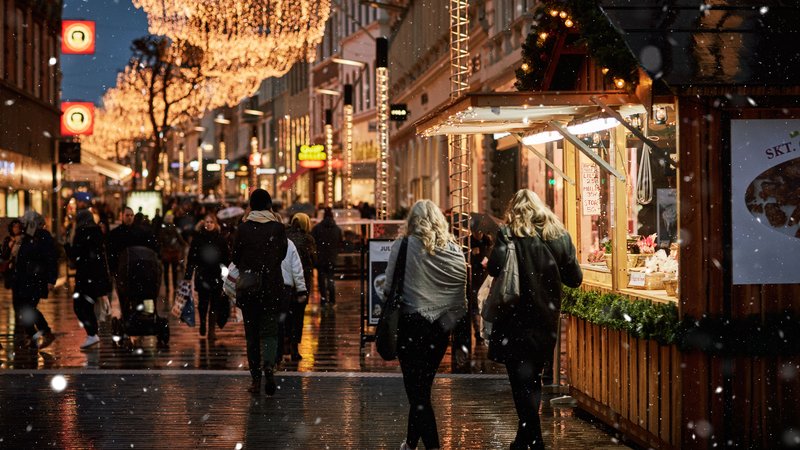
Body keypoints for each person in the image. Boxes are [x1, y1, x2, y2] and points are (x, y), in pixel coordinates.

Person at [486, 189, 583, 450]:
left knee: (519, 381)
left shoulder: (508, 234)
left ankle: (534, 440)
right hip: (544, 319)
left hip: (513, 318)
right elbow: (575, 278)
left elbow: (493, 268)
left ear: (515, 210)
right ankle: (525, 439)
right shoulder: (559, 235)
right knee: (534, 379)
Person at [384, 200, 468, 450]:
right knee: (422, 388)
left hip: (410, 326)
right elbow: (460, 292)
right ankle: (410, 444)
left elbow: (388, 287)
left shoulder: (403, 245)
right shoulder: (454, 249)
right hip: (439, 329)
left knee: (417, 392)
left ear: (412, 221)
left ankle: (433, 446)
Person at [232, 189, 288, 395]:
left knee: (252, 335)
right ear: (268, 205)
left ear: (251, 205)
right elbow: (282, 254)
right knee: (270, 333)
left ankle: (256, 380)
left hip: (249, 288)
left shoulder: (243, 229)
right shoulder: (278, 228)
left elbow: (235, 256)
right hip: (272, 287)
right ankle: (269, 366)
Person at [13, 211, 59, 349]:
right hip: (24, 279)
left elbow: (51, 259)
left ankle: (46, 333)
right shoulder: (27, 237)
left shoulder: (43, 237)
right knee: (21, 309)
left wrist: (51, 279)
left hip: (37, 279)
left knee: (29, 308)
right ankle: (33, 336)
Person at [68, 209, 111, 349]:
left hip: (85, 275)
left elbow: (75, 254)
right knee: (87, 305)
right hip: (96, 275)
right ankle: (92, 333)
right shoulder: (97, 232)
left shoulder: (82, 233)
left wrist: (67, 246)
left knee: (80, 306)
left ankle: (92, 334)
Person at [184, 213, 230, 339]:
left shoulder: (220, 239)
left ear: (215, 224)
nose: (208, 224)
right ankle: (203, 323)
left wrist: (226, 275)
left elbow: (226, 258)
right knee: (203, 303)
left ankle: (212, 330)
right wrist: (188, 274)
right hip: (202, 274)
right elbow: (192, 258)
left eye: (211, 222)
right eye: (207, 222)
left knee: (215, 302)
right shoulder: (198, 238)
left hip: (216, 274)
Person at [285, 213, 316, 361]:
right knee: (298, 316)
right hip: (302, 282)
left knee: (286, 314)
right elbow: (314, 260)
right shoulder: (308, 239)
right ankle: (294, 347)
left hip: (286, 281)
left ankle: (284, 342)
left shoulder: (284, 236)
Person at [277, 239, 307, 362]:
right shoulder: (288, 243)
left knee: (274, 322)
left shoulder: (264, 238)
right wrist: (301, 288)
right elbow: (297, 268)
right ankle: (282, 351)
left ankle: (275, 354)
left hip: (271, 285)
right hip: (286, 286)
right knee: (284, 320)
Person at [311, 207, 342, 306]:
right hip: (332, 258)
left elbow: (312, 242)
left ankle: (323, 300)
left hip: (320, 259)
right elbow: (340, 243)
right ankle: (332, 300)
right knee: (331, 279)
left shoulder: (317, 228)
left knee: (321, 280)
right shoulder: (337, 229)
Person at [469, 227, 493, 343]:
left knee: (485, 304)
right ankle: (478, 331)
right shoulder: (468, 241)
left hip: (485, 277)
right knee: (475, 305)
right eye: (476, 231)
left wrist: (488, 262)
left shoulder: (488, 241)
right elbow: (464, 259)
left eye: (480, 231)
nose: (478, 233)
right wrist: (471, 254)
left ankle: (485, 330)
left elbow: (493, 256)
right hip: (473, 277)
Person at [159, 214, 187, 294]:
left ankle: (168, 287)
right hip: (174, 252)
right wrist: (185, 244)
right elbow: (179, 238)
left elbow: (160, 239)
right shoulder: (174, 227)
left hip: (166, 251)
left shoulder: (162, 227)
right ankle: (174, 287)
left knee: (166, 271)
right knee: (174, 271)